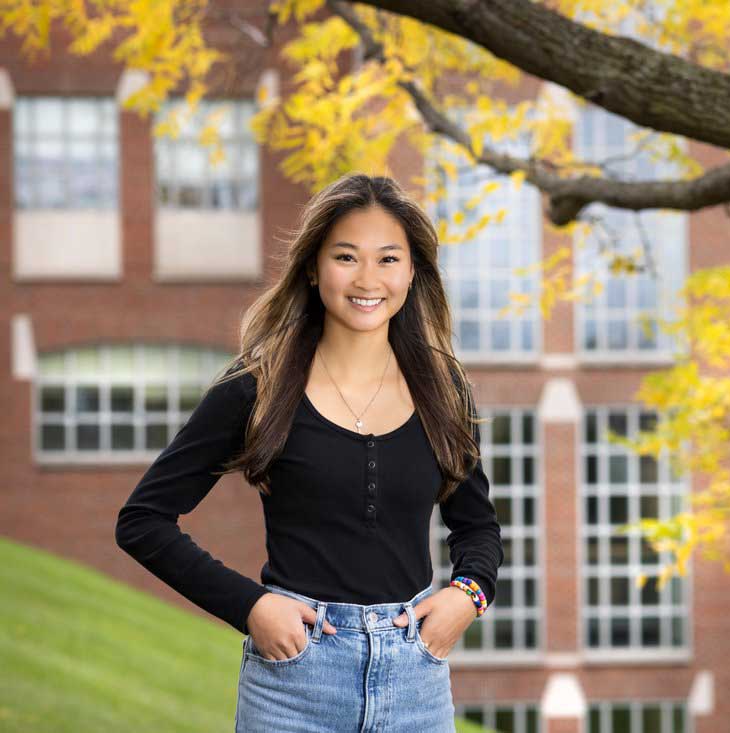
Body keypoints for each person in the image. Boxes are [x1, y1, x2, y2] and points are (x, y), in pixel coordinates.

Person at [115, 174, 504, 732]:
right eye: (346, 257)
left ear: (413, 271)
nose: (368, 279)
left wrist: (469, 595)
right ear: (313, 267)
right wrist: (250, 607)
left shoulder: (443, 389)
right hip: (294, 683)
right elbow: (142, 521)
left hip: (415, 683)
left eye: (388, 259)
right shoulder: (257, 387)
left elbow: (478, 528)